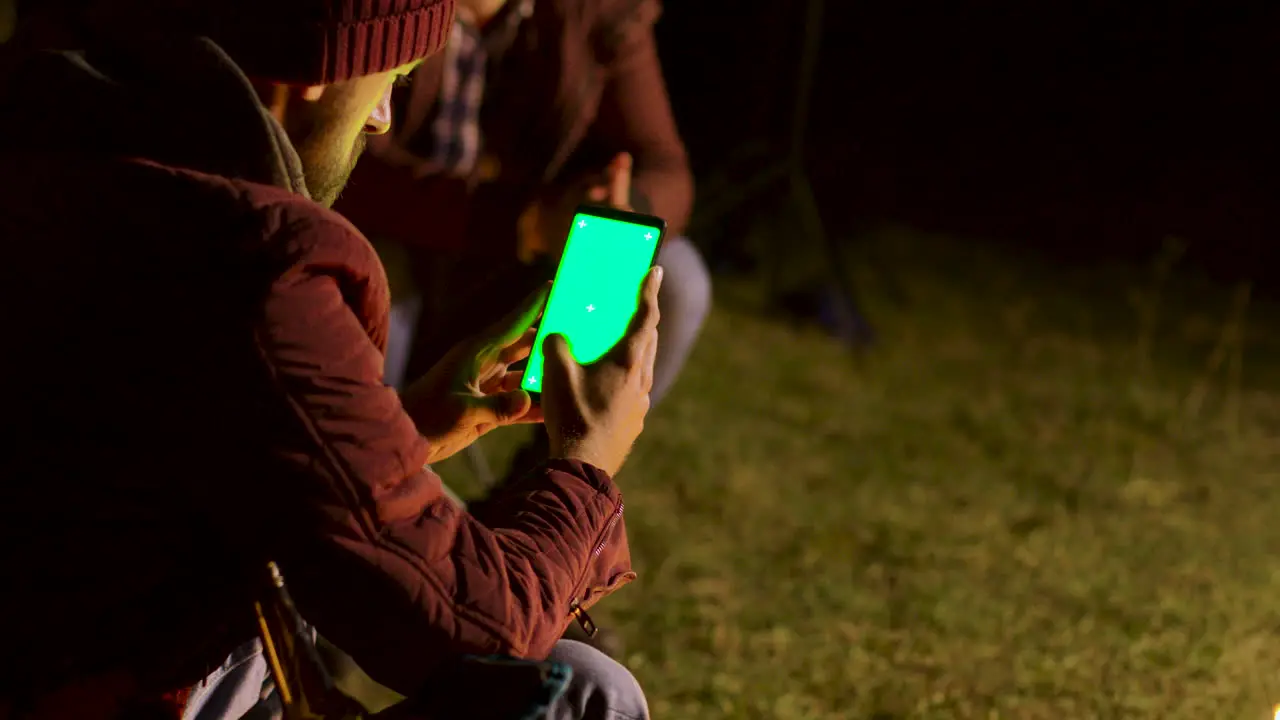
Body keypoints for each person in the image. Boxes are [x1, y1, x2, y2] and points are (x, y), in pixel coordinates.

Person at [0, 1, 657, 718]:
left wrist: (404, 430)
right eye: (395, 80)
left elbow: (194, 458)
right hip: (121, 687)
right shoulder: (248, 259)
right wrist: (587, 462)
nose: (380, 118)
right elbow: (474, 630)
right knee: (586, 696)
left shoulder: (65, 136)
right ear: (323, 66)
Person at [332, 0, 711, 481]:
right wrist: (523, 220)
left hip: (512, 272)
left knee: (676, 280)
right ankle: (362, 490)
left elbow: (665, 164)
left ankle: (540, 501)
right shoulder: (392, 8)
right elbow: (353, 160)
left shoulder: (597, 10)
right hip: (397, 242)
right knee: (371, 269)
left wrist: (624, 204)